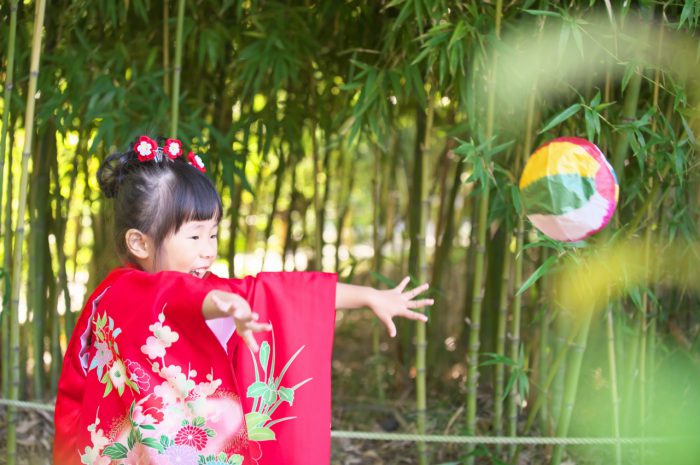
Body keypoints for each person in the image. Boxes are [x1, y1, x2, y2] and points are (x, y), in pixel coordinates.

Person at [53, 135, 432, 465]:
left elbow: (277, 294)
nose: (208, 251)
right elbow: (179, 297)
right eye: (195, 236)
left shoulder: (206, 286)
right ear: (140, 241)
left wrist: (368, 296)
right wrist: (225, 305)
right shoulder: (121, 294)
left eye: (213, 235)